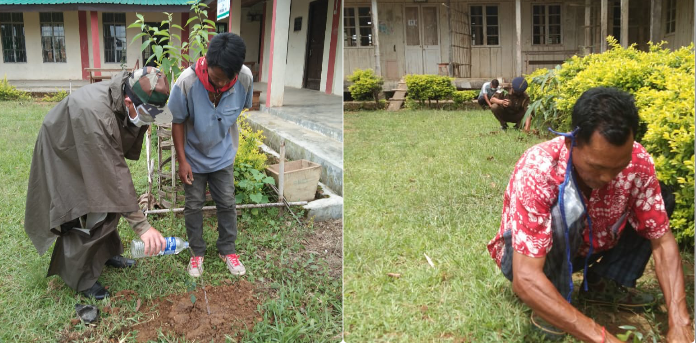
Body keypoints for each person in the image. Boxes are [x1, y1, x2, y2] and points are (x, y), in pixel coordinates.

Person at [486, 87, 693, 342]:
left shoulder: (638, 161)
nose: (607, 178)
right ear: (570, 142)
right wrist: (604, 338)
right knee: (563, 209)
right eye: (597, 167)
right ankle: (552, 298)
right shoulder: (539, 169)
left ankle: (604, 282)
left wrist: (680, 321)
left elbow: (662, 242)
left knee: (658, 200)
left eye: (618, 166)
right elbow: (525, 276)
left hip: (590, 245)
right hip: (528, 259)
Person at [25, 67, 170, 300]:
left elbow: (113, 168)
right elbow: (113, 176)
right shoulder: (98, 116)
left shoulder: (128, 94)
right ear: (128, 101)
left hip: (85, 138)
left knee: (109, 202)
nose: (149, 120)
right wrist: (143, 227)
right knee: (87, 210)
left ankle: (105, 254)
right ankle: (80, 278)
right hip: (63, 148)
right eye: (147, 114)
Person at [168, 32, 253, 278]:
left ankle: (227, 249)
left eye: (223, 81)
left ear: (235, 73)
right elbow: (177, 122)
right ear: (207, 61)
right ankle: (196, 253)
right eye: (214, 78)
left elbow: (239, 109)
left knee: (227, 202)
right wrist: (182, 161)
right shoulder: (187, 81)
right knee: (193, 204)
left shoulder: (245, 79)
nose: (217, 85)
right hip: (193, 157)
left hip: (223, 156)